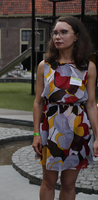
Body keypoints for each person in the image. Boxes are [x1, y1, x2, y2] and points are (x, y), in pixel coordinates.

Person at [32, 16, 98, 200]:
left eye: (63, 32)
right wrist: (36, 133)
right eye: (55, 33)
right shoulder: (44, 66)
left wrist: (97, 137)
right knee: (49, 182)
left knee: (69, 185)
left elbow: (91, 104)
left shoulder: (88, 67)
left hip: (79, 129)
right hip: (51, 127)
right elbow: (38, 102)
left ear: (76, 36)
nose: (57, 36)